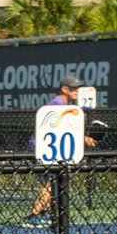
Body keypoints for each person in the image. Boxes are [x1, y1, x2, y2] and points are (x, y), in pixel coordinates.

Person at [25, 74, 97, 223]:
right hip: (43, 147)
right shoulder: (58, 103)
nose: (77, 90)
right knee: (51, 182)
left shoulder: (67, 105)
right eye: (73, 88)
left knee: (54, 181)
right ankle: (34, 215)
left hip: (50, 148)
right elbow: (60, 128)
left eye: (78, 88)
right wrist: (84, 139)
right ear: (64, 89)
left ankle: (44, 213)